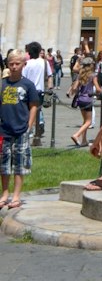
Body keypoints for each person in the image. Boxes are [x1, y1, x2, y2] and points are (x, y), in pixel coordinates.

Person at [0, 52, 40, 211]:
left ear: (23, 64)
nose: (14, 67)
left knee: (19, 163)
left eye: (17, 64)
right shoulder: (3, 84)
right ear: (7, 65)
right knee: (4, 164)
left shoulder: (28, 85)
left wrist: (29, 126)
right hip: (4, 130)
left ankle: (16, 195)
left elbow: (33, 106)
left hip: (21, 130)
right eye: (11, 64)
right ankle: (4, 193)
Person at [22, 42, 51, 146]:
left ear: (29, 52)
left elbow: (23, 78)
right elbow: (50, 75)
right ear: (39, 51)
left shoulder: (27, 63)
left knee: (28, 113)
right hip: (40, 91)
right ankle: (36, 136)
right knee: (37, 113)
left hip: (28, 91)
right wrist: (50, 88)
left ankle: (30, 132)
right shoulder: (44, 62)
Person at [70, 63, 95, 147]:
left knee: (85, 120)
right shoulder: (92, 76)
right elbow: (98, 88)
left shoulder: (80, 75)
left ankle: (84, 140)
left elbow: (74, 88)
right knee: (89, 121)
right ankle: (76, 135)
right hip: (88, 99)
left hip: (80, 99)